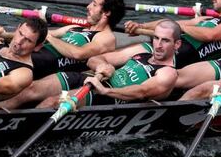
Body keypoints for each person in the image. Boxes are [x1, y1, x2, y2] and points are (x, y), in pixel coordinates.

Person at [0, 0, 125, 110]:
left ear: (106, 13)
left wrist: (46, 34)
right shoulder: (75, 28)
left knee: (24, 91)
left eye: (94, 4)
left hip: (51, 67)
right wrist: (5, 35)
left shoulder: (106, 37)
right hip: (33, 54)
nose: (88, 6)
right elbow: (36, 37)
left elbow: (78, 53)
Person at [38, 19, 181, 108]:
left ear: (177, 45)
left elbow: (140, 92)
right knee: (32, 89)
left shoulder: (168, 72)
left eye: (166, 40)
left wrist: (106, 91)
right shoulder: (143, 51)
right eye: (156, 38)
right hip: (92, 79)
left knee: (52, 102)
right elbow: (95, 59)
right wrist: (102, 66)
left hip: (108, 97)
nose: (159, 45)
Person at [122, 0, 221, 70]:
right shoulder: (206, 19)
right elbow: (171, 24)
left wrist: (179, 27)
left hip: (177, 63)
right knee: (110, 58)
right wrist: (140, 27)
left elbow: (210, 35)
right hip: (165, 49)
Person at [0, 18, 47, 106]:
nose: (19, 42)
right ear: (17, 28)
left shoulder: (24, 73)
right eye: (20, 33)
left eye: (28, 40)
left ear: (37, 46)